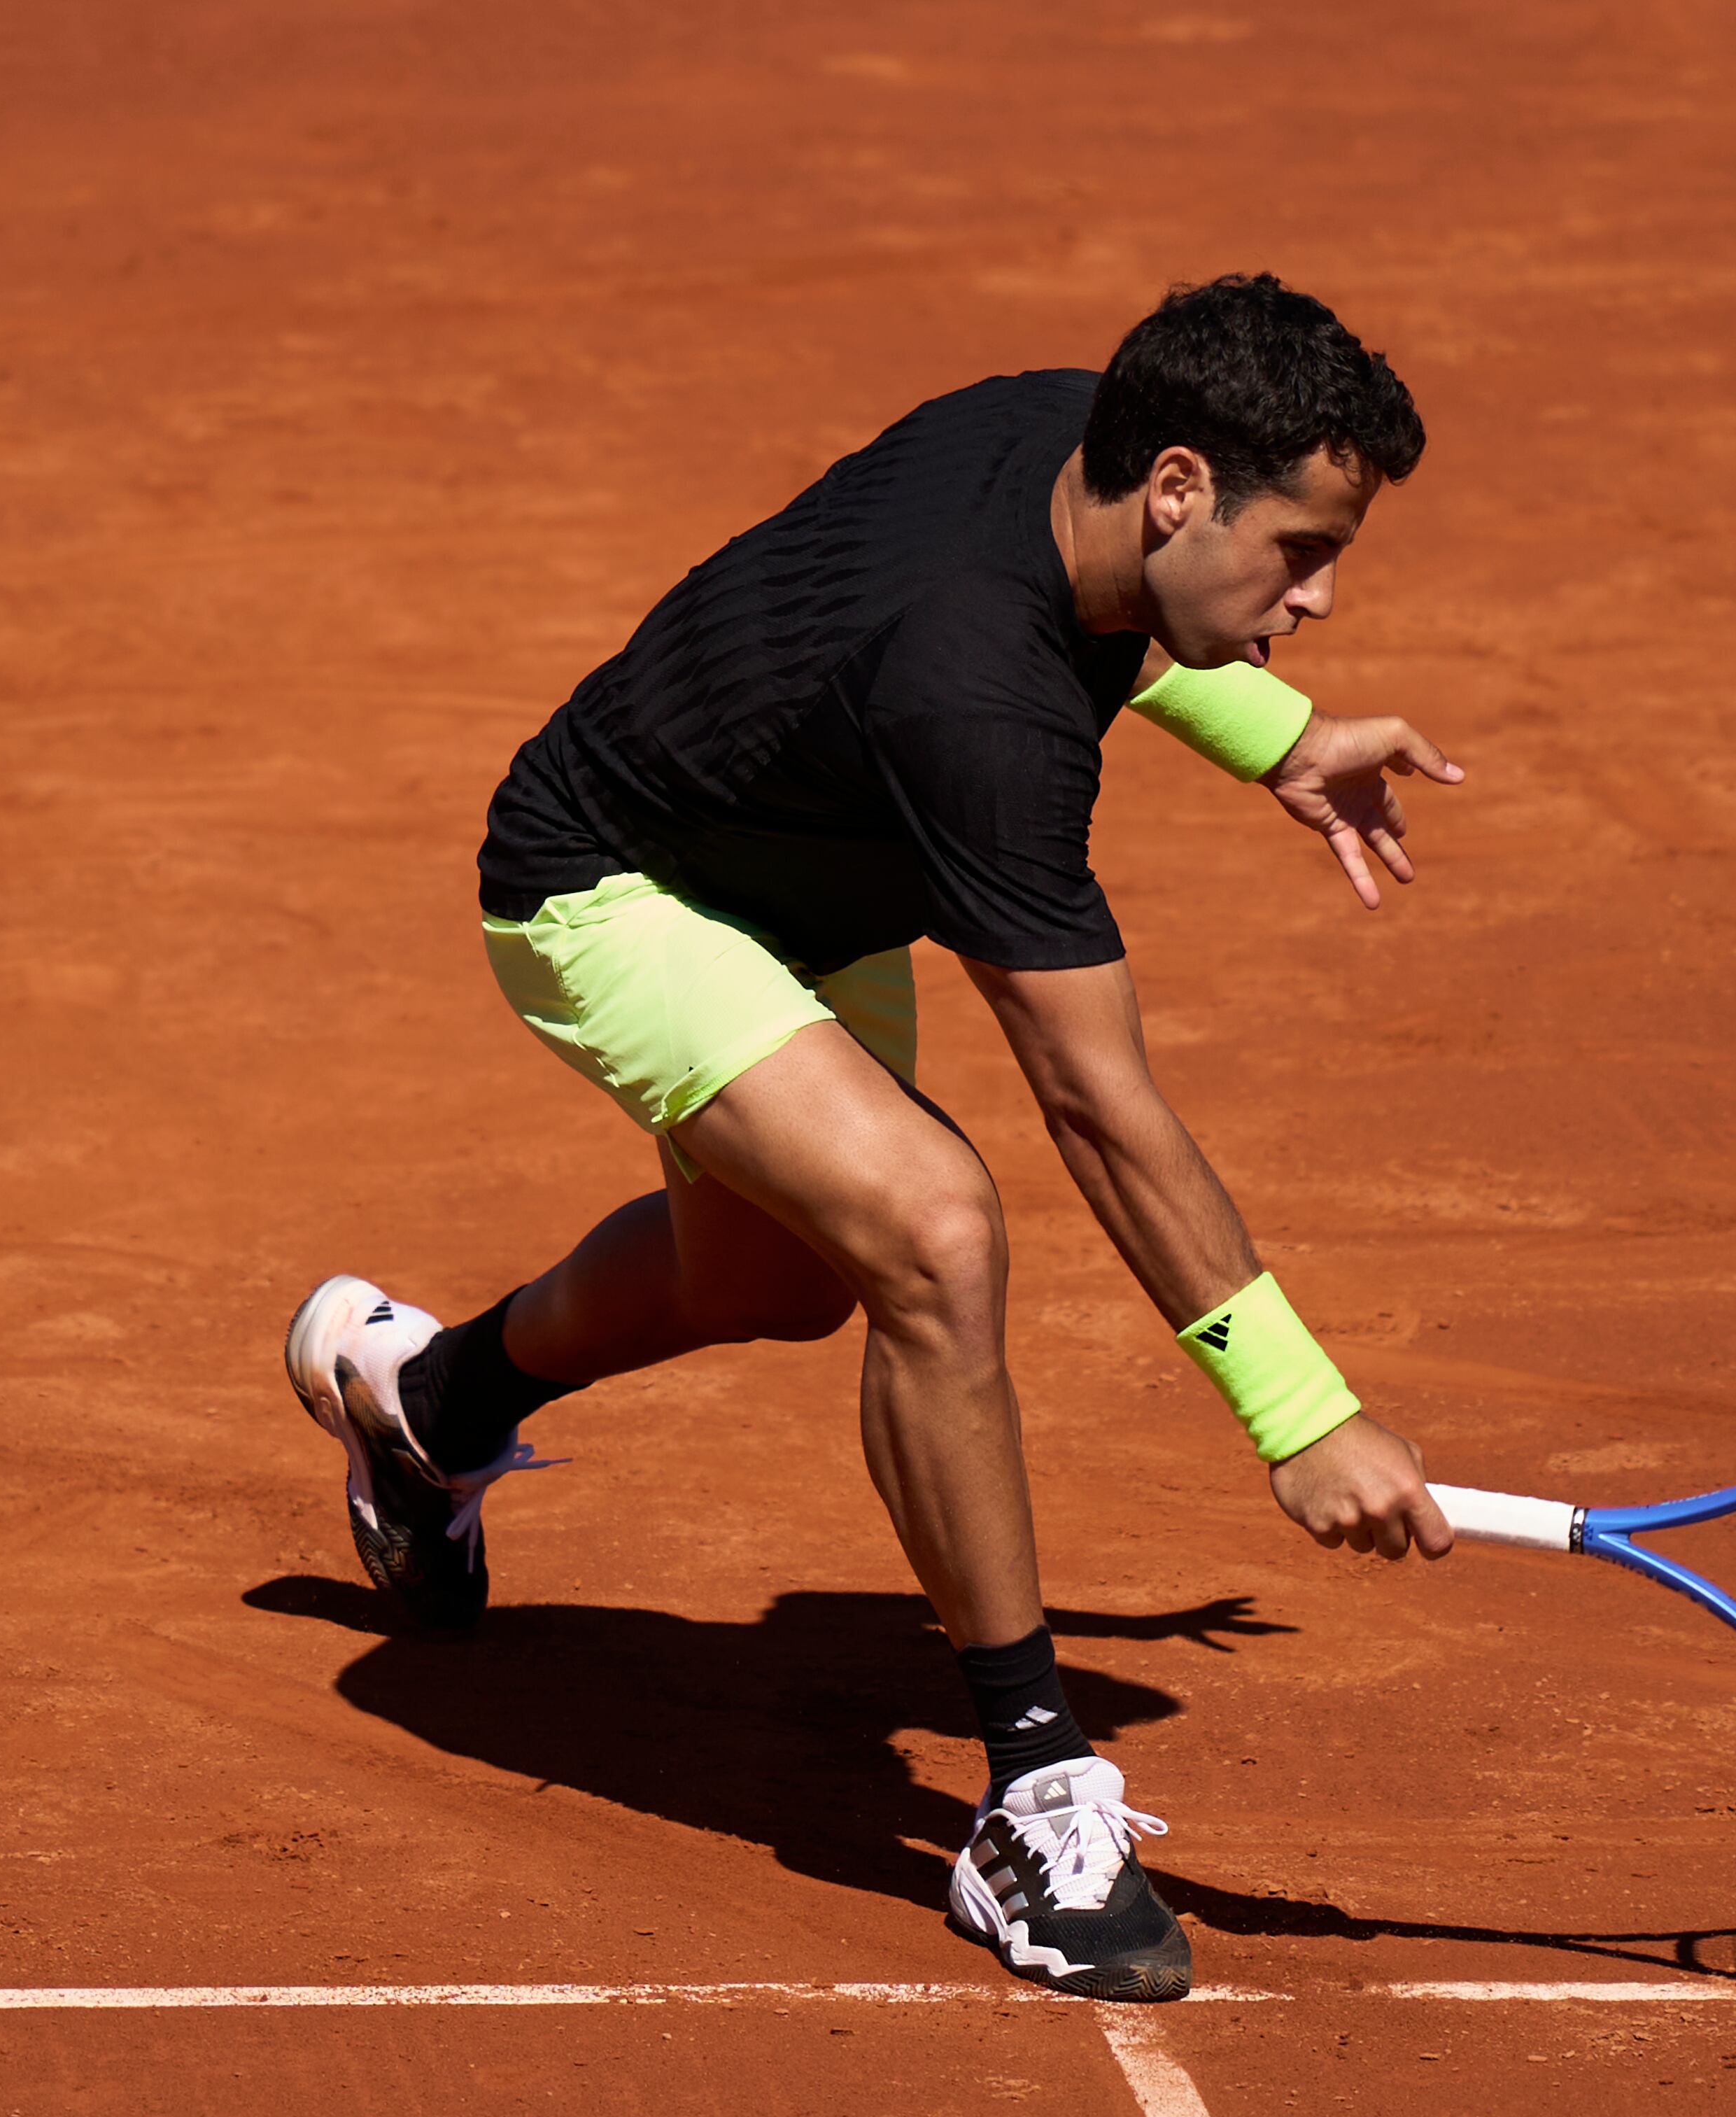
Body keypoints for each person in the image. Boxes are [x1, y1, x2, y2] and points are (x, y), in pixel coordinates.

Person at [284, 274, 1460, 2003]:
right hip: (614, 888)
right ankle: (1033, 1790)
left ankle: (429, 1404)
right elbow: (1097, 1104)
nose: (1324, 593)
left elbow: (1114, 618)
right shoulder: (972, 696)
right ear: (1185, 486)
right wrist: (1297, 1409)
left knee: (772, 1283)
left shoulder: (1083, 431)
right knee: (936, 1228)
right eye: (1299, 552)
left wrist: (1272, 728)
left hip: (804, 871)